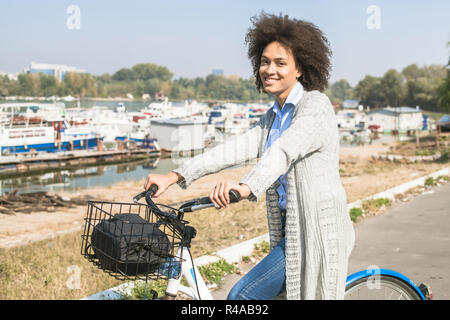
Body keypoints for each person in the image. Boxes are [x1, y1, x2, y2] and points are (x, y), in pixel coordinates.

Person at [144, 12, 355, 300]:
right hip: (289, 231)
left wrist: (244, 187)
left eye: (281, 63)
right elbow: (233, 149)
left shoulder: (315, 106)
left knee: (242, 297)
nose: (270, 69)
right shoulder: (274, 116)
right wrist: (174, 176)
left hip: (314, 231)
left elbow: (283, 151)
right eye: (265, 62)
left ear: (300, 69)